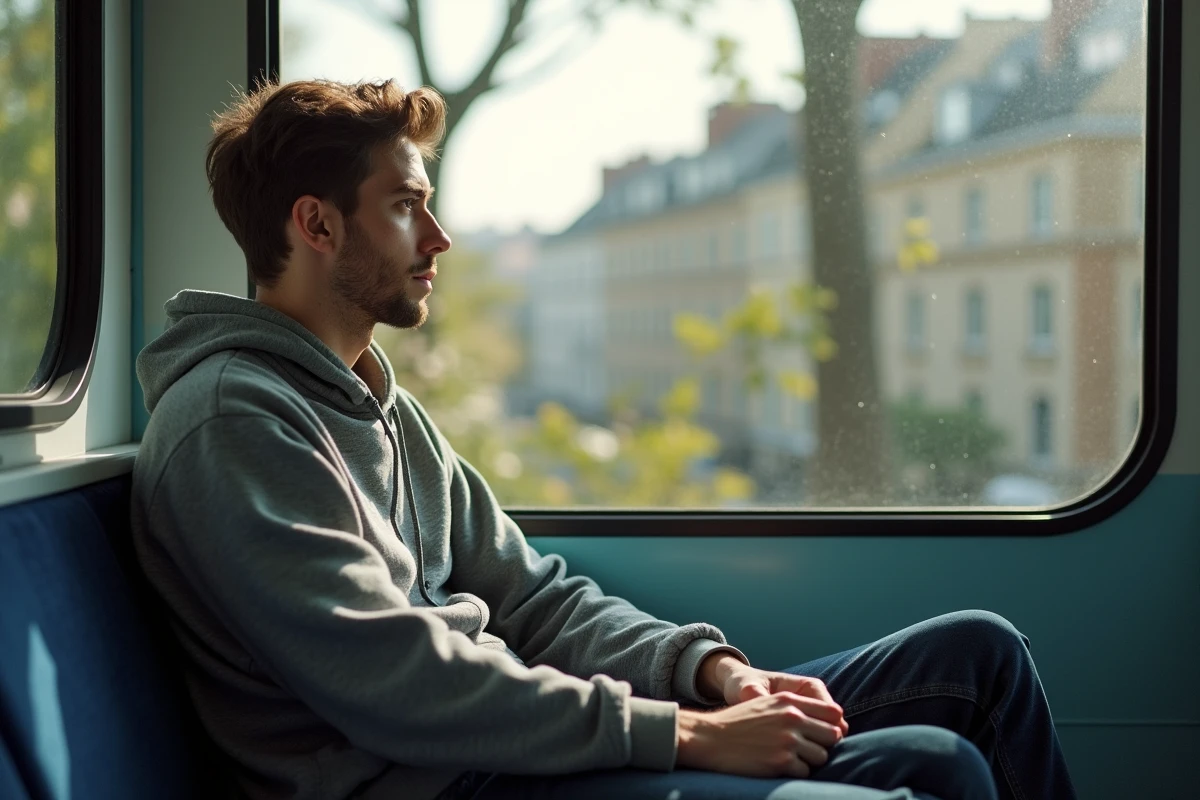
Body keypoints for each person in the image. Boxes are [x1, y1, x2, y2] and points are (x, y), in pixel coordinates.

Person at [131, 79, 1076, 800]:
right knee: (932, 761)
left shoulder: (381, 409)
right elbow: (395, 683)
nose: (440, 238)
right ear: (317, 225)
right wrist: (684, 734)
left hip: (530, 741)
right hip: (448, 783)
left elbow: (533, 603)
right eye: (407, 205)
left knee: (976, 656)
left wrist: (709, 671)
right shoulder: (233, 424)